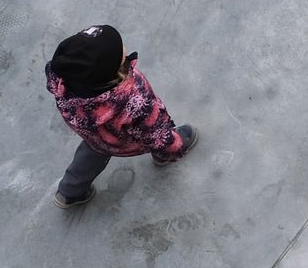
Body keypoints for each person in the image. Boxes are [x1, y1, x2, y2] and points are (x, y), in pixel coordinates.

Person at [46, 25, 198, 209]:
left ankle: (69, 193)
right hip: (123, 141)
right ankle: (162, 157)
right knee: (157, 138)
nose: (124, 47)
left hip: (92, 133)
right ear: (111, 69)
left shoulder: (63, 80)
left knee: (92, 153)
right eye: (119, 51)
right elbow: (155, 134)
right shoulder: (133, 100)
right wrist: (173, 146)